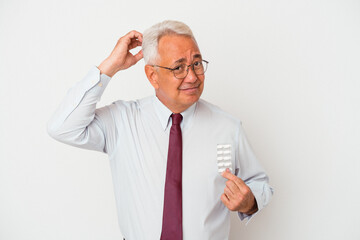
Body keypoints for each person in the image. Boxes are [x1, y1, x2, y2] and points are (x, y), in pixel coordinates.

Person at [47, 20, 273, 240]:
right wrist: (109, 67)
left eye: (196, 63)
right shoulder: (122, 121)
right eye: (179, 68)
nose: (193, 76)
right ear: (152, 76)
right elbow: (62, 127)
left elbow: (260, 184)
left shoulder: (227, 126)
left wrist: (249, 202)